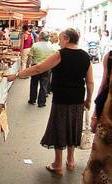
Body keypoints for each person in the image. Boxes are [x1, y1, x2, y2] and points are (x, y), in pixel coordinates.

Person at [7, 28, 94, 176]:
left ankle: (58, 164)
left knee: (59, 127)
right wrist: (88, 100)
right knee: (73, 127)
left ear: (66, 38)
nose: (58, 41)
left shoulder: (61, 54)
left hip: (61, 98)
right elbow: (90, 82)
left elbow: (39, 68)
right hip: (78, 98)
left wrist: (16, 75)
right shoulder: (86, 56)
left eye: (60, 39)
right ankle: (71, 161)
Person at [83, 50, 112, 183]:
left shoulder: (110, 56)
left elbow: (103, 86)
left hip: (108, 116)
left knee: (100, 159)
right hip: (108, 116)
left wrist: (95, 115)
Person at [27, 31, 55, 107]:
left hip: (35, 67)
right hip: (46, 68)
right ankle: (41, 102)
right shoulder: (51, 47)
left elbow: (30, 57)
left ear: (40, 37)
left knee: (34, 84)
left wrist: (27, 67)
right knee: (44, 85)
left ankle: (32, 100)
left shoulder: (35, 45)